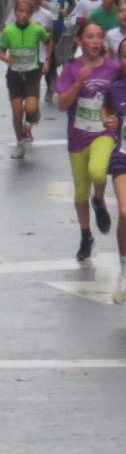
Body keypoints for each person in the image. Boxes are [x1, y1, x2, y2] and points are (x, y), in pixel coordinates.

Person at [56, 21, 120, 260]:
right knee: (81, 191)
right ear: (79, 42)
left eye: (99, 37)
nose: (95, 42)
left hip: (103, 133)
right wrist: (78, 83)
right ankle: (85, 235)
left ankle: (100, 200)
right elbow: (62, 105)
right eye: (90, 37)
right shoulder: (71, 68)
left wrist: (115, 118)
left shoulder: (114, 68)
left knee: (98, 172)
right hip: (78, 136)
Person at [0, 0, 51, 159]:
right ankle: (20, 143)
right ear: (15, 13)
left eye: (26, 12)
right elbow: (1, 53)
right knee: (17, 112)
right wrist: (7, 59)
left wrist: (47, 61)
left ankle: (33, 116)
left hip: (31, 74)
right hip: (14, 75)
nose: (22, 15)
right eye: (20, 11)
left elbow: (49, 42)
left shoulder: (37, 29)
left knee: (30, 109)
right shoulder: (8, 31)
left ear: (30, 15)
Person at [98, 38, 126, 303]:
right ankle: (124, 273)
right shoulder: (115, 89)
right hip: (123, 157)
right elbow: (104, 113)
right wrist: (107, 120)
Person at [41, 0, 74, 99]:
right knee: (48, 58)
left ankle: (60, 84)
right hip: (45, 28)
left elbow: (72, 3)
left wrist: (66, 11)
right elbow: (32, 0)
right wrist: (41, 3)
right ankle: (50, 87)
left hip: (59, 27)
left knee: (58, 57)